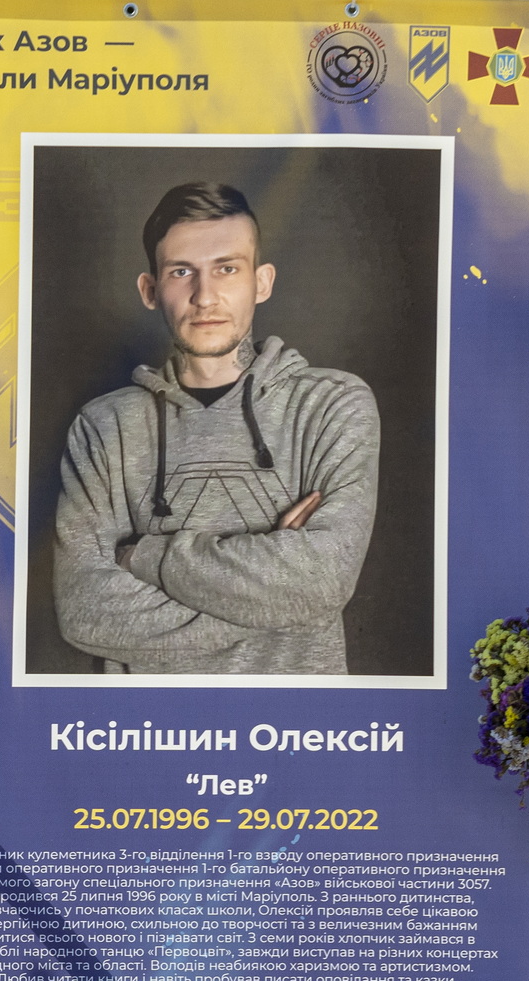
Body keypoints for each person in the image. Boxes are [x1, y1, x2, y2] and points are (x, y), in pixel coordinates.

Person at [50, 181, 381, 675]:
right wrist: (279, 597)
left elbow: (324, 579)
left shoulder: (331, 404)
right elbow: (84, 610)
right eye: (182, 272)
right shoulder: (105, 426)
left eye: (227, 269)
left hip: (297, 736)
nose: (205, 296)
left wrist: (144, 557)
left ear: (261, 282)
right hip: (144, 736)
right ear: (149, 289)